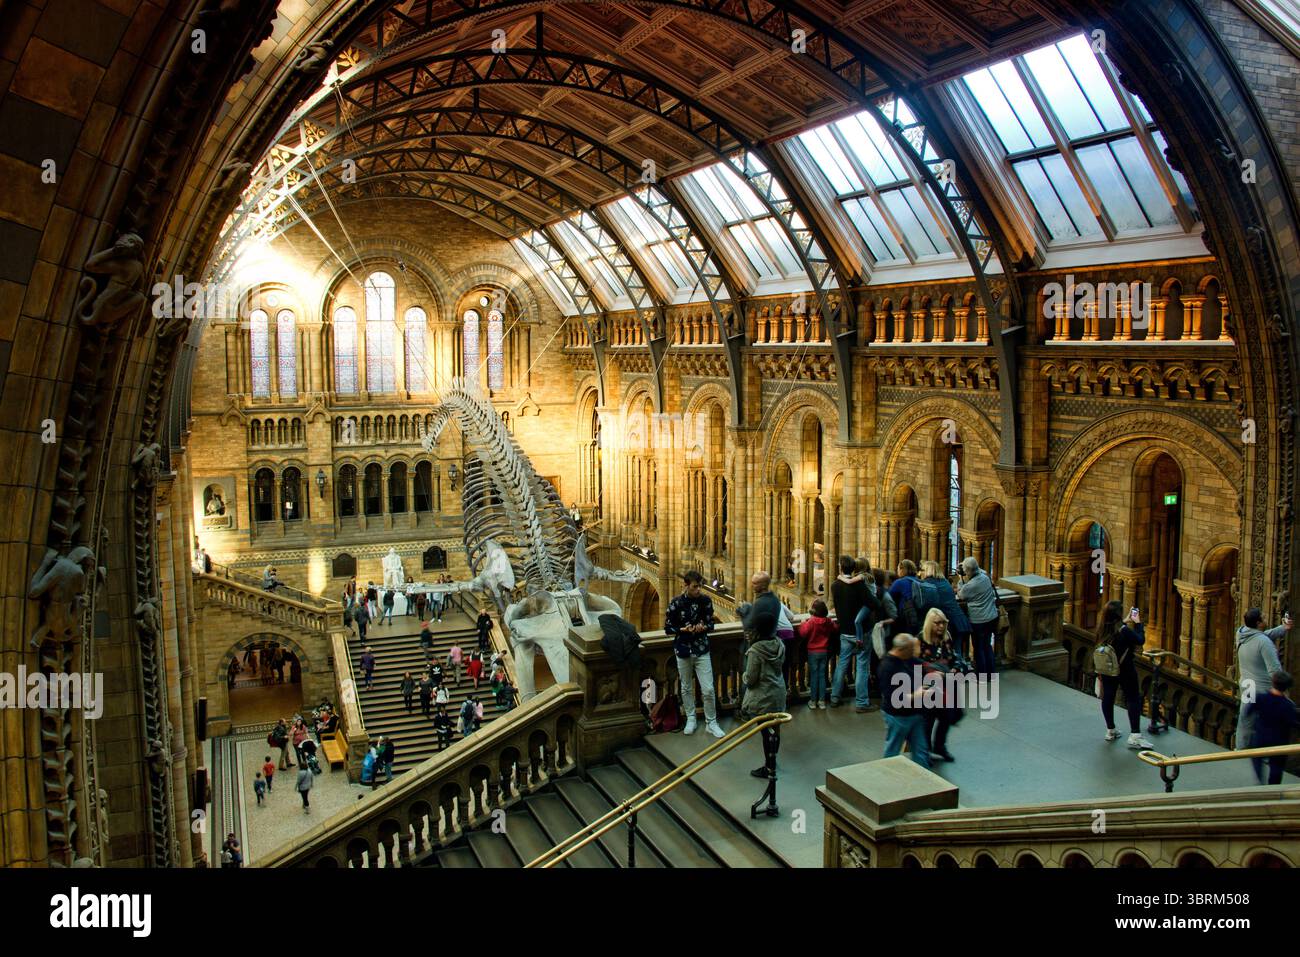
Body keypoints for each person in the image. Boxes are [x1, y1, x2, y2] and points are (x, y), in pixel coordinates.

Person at [664, 569, 725, 738]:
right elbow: (668, 629)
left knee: (708, 688)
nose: (698, 590)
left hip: (701, 649)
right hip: (683, 649)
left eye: (700, 587)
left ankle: (711, 722)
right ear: (686, 586)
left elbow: (710, 624)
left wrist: (703, 627)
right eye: (695, 587)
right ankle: (691, 718)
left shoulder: (706, 601)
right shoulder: (676, 603)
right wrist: (683, 629)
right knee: (685, 687)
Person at [1095, 600, 1153, 750]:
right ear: (1118, 615)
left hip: (1107, 668)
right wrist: (1138, 623)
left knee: (1108, 696)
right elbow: (1140, 640)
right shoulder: (1124, 630)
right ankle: (1135, 736)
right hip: (1125, 668)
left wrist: (1125, 621)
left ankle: (1111, 730)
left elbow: (1113, 634)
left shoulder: (1102, 627)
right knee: (1133, 697)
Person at [741, 608, 786, 794]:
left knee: (765, 732)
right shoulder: (779, 644)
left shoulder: (756, 651)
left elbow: (751, 679)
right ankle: (772, 763)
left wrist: (744, 676)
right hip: (777, 691)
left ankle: (769, 767)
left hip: (763, 695)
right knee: (775, 730)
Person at [830, 555, 883, 712]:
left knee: (842, 664)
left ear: (841, 567)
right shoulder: (859, 585)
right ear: (853, 568)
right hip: (861, 633)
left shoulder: (835, 585)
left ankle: (834, 697)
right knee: (861, 666)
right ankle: (861, 702)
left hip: (845, 631)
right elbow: (875, 604)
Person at [1235, 607, 1291, 748]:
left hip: (1247, 686)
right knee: (1267, 725)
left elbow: (1260, 637)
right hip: (1262, 691)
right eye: (1264, 618)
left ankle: (1240, 751)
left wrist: (1282, 628)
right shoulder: (1264, 643)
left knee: (1245, 722)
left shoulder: (1241, 633)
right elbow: (1275, 671)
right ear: (1259, 623)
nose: (1266, 619)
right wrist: (1283, 693)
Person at [879, 634, 929, 767]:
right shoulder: (887, 667)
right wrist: (916, 695)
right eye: (912, 649)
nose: (914, 652)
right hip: (897, 716)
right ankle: (887, 776)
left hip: (914, 713)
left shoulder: (908, 659)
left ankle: (925, 779)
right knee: (892, 751)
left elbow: (922, 669)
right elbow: (893, 698)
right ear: (902, 649)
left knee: (921, 751)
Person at [918, 609, 960, 762]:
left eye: (944, 622)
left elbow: (954, 656)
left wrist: (955, 667)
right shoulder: (920, 640)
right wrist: (934, 671)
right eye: (938, 623)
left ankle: (940, 746)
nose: (941, 626)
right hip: (928, 688)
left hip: (946, 686)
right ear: (930, 623)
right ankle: (925, 751)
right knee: (927, 722)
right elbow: (915, 664)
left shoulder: (946, 638)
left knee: (946, 717)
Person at [1249, 670, 1299, 784]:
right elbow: (1292, 722)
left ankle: (1259, 780)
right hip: (1279, 740)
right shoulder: (1288, 705)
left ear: (1273, 682)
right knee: (1277, 766)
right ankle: (1273, 787)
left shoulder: (1261, 697)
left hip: (1261, 736)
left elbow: (1249, 711)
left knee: (1256, 758)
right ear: (1287, 687)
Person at [957, 557, 999, 677]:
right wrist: (967, 566)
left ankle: (982, 676)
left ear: (968, 571)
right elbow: (981, 570)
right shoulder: (985, 578)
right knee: (987, 645)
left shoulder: (971, 586)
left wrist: (960, 579)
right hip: (991, 618)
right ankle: (991, 673)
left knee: (979, 648)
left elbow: (961, 595)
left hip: (978, 621)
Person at [920, 561, 971, 658]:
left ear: (927, 571)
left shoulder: (927, 584)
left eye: (923, 570)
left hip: (947, 623)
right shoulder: (945, 582)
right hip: (959, 620)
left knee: (948, 655)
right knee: (957, 651)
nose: (920, 573)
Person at [799, 600, 837, 710]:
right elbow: (835, 628)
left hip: (812, 652)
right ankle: (822, 701)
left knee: (814, 677)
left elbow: (803, 632)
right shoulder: (828, 621)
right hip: (824, 651)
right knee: (822, 677)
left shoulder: (812, 621)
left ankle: (813, 701)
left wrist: (802, 623)